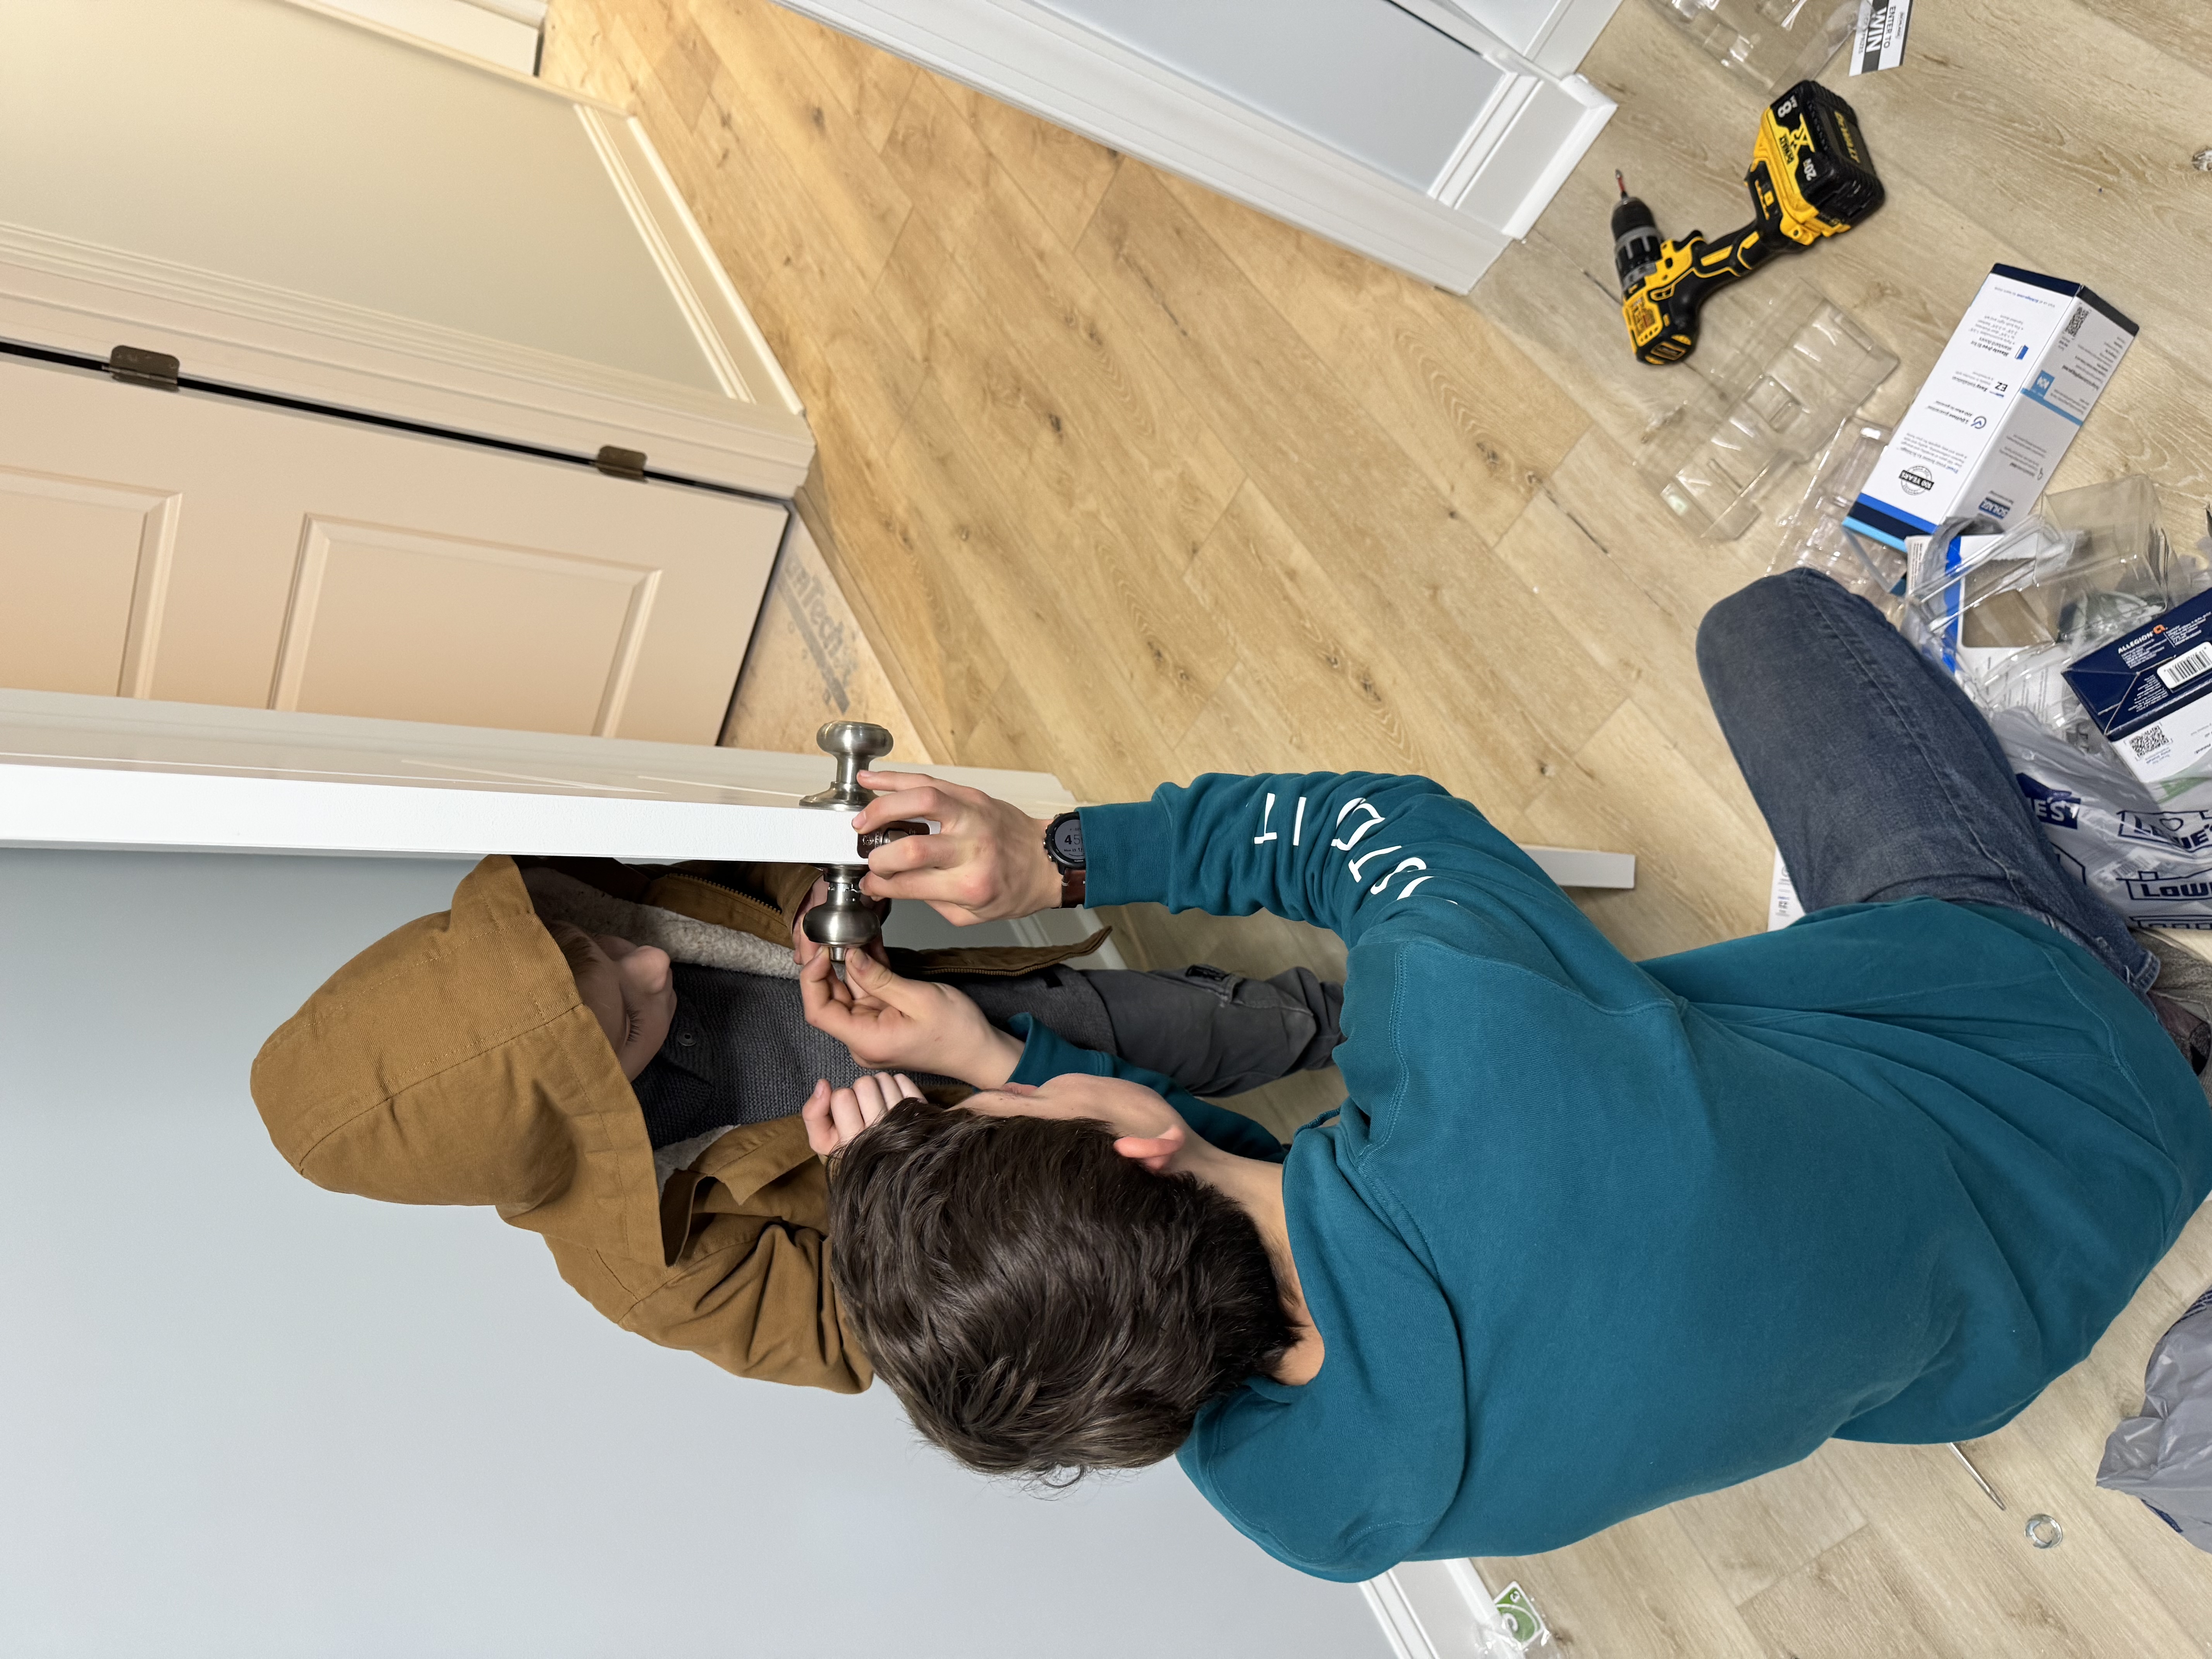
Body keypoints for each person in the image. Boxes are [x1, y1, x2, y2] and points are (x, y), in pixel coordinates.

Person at [804, 568, 2212, 1578]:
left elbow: (1210, 1226)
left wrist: (983, 1059)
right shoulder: (1481, 1050)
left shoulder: (1306, 1503)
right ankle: (2138, 980)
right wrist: (1061, 857)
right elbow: (1367, 831)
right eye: (1026, 1099)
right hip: (2062, 1063)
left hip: (1991, 1343)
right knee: (1766, 627)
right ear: (1137, 1143)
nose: (1024, 1082)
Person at [248, 851, 1339, 1390]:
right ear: (585, 1125)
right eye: (630, 1016)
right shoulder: (652, 1269)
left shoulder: (593, 906)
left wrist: (818, 905)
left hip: (1000, 1021)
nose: (651, 961)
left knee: (1216, 1024)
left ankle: (1351, 1025)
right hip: (1067, 1202)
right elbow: (862, 1336)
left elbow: (733, 870)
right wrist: (885, 1180)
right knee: (1260, 1201)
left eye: (596, 949)